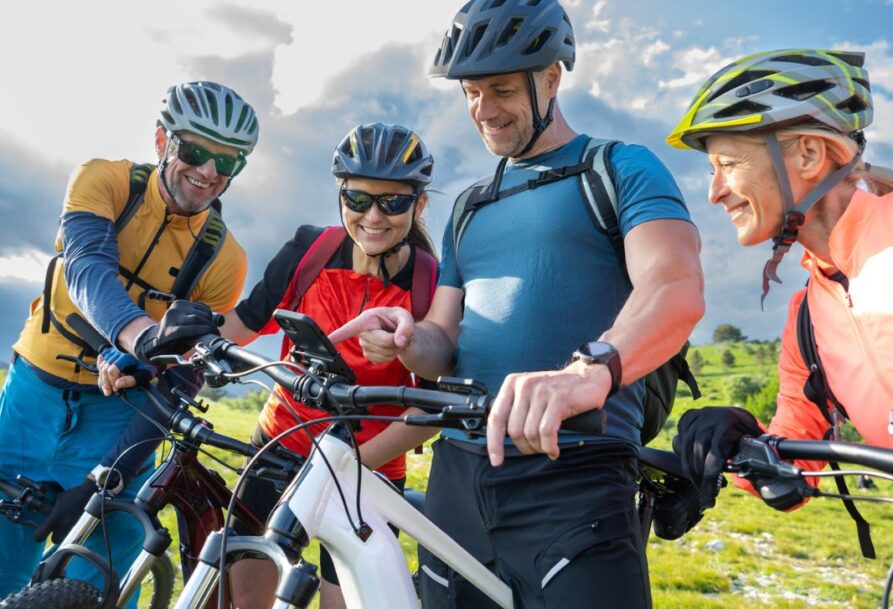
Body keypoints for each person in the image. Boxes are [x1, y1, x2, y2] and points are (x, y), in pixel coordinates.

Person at [330, 1, 704, 607]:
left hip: (574, 472)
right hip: (458, 475)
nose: (484, 109)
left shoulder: (617, 168)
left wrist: (589, 373)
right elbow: (440, 346)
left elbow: (675, 286)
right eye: (472, 92)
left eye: (501, 89)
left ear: (552, 78)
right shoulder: (470, 206)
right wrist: (405, 336)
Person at [101, 122, 441, 609]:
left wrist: (343, 469)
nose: (373, 217)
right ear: (341, 194)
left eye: (393, 203)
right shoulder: (311, 251)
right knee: (243, 598)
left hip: (366, 470)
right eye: (358, 199)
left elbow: (426, 414)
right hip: (279, 444)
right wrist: (152, 357)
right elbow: (239, 326)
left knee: (342, 601)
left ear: (419, 204)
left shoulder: (430, 287)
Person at [664, 49, 893, 538]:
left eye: (728, 164)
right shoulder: (809, 320)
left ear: (808, 153)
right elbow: (793, 464)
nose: (715, 192)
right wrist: (733, 441)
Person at [0, 81, 255, 601]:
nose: (208, 171)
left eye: (226, 163)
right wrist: (141, 337)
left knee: (97, 576)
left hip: (122, 412)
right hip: (34, 395)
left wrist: (107, 479)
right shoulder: (104, 180)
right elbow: (87, 267)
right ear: (162, 141)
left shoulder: (225, 258)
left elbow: (184, 375)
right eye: (196, 151)